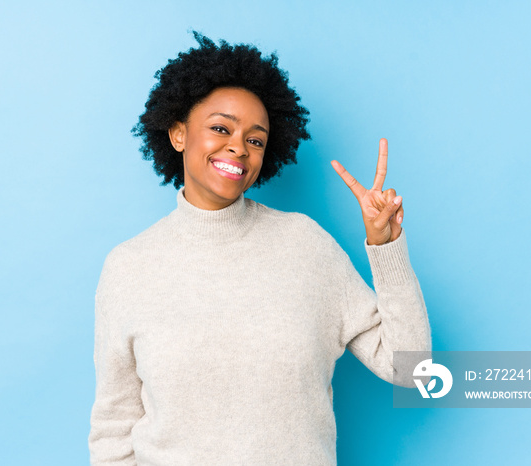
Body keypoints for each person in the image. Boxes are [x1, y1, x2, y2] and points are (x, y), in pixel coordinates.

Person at [89, 32, 431, 465]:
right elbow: (113, 429)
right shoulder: (129, 267)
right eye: (219, 128)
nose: (238, 146)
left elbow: (411, 368)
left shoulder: (305, 246)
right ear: (178, 133)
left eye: (255, 139)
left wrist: (386, 245)